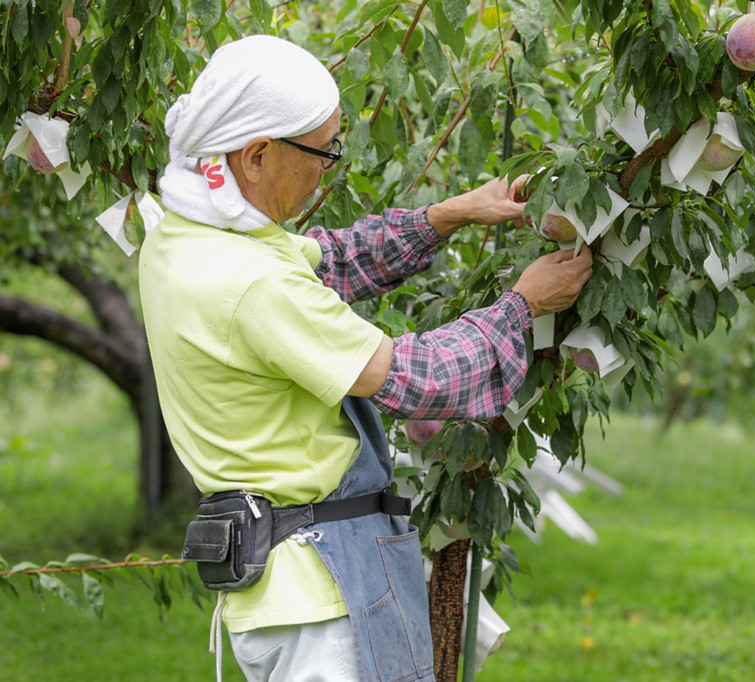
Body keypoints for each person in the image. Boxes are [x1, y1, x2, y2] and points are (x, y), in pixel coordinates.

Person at [138, 35, 592, 682]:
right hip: (323, 592)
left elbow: (335, 261)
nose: (331, 166)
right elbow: (416, 379)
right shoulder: (251, 284)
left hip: (283, 585)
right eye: (323, 150)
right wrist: (521, 307)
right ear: (258, 154)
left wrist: (452, 213)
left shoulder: (184, 236)